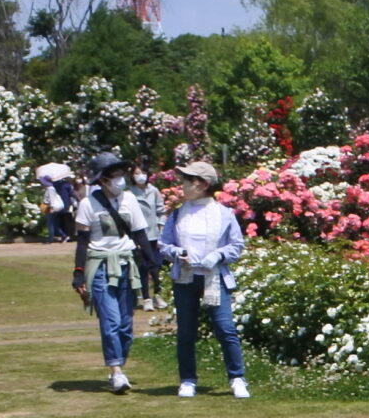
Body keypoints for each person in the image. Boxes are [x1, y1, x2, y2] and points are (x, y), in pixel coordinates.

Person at [159, 161, 249, 398]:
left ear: (203, 185)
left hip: (214, 277)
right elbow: (164, 244)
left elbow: (236, 246)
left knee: (225, 327)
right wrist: (178, 253)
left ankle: (237, 377)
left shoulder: (223, 214)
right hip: (186, 278)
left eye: (189, 180)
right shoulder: (178, 214)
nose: (184, 185)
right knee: (186, 331)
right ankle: (188, 380)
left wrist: (217, 255)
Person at [72, 151, 155, 392]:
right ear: (103, 180)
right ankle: (116, 371)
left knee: (126, 326)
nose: (120, 179)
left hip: (127, 264)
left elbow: (140, 233)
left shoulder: (129, 200)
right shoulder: (88, 204)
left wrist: (152, 266)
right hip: (99, 265)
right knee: (110, 321)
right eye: (114, 176)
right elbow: (82, 241)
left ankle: (119, 363)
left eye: (121, 174)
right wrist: (78, 273)